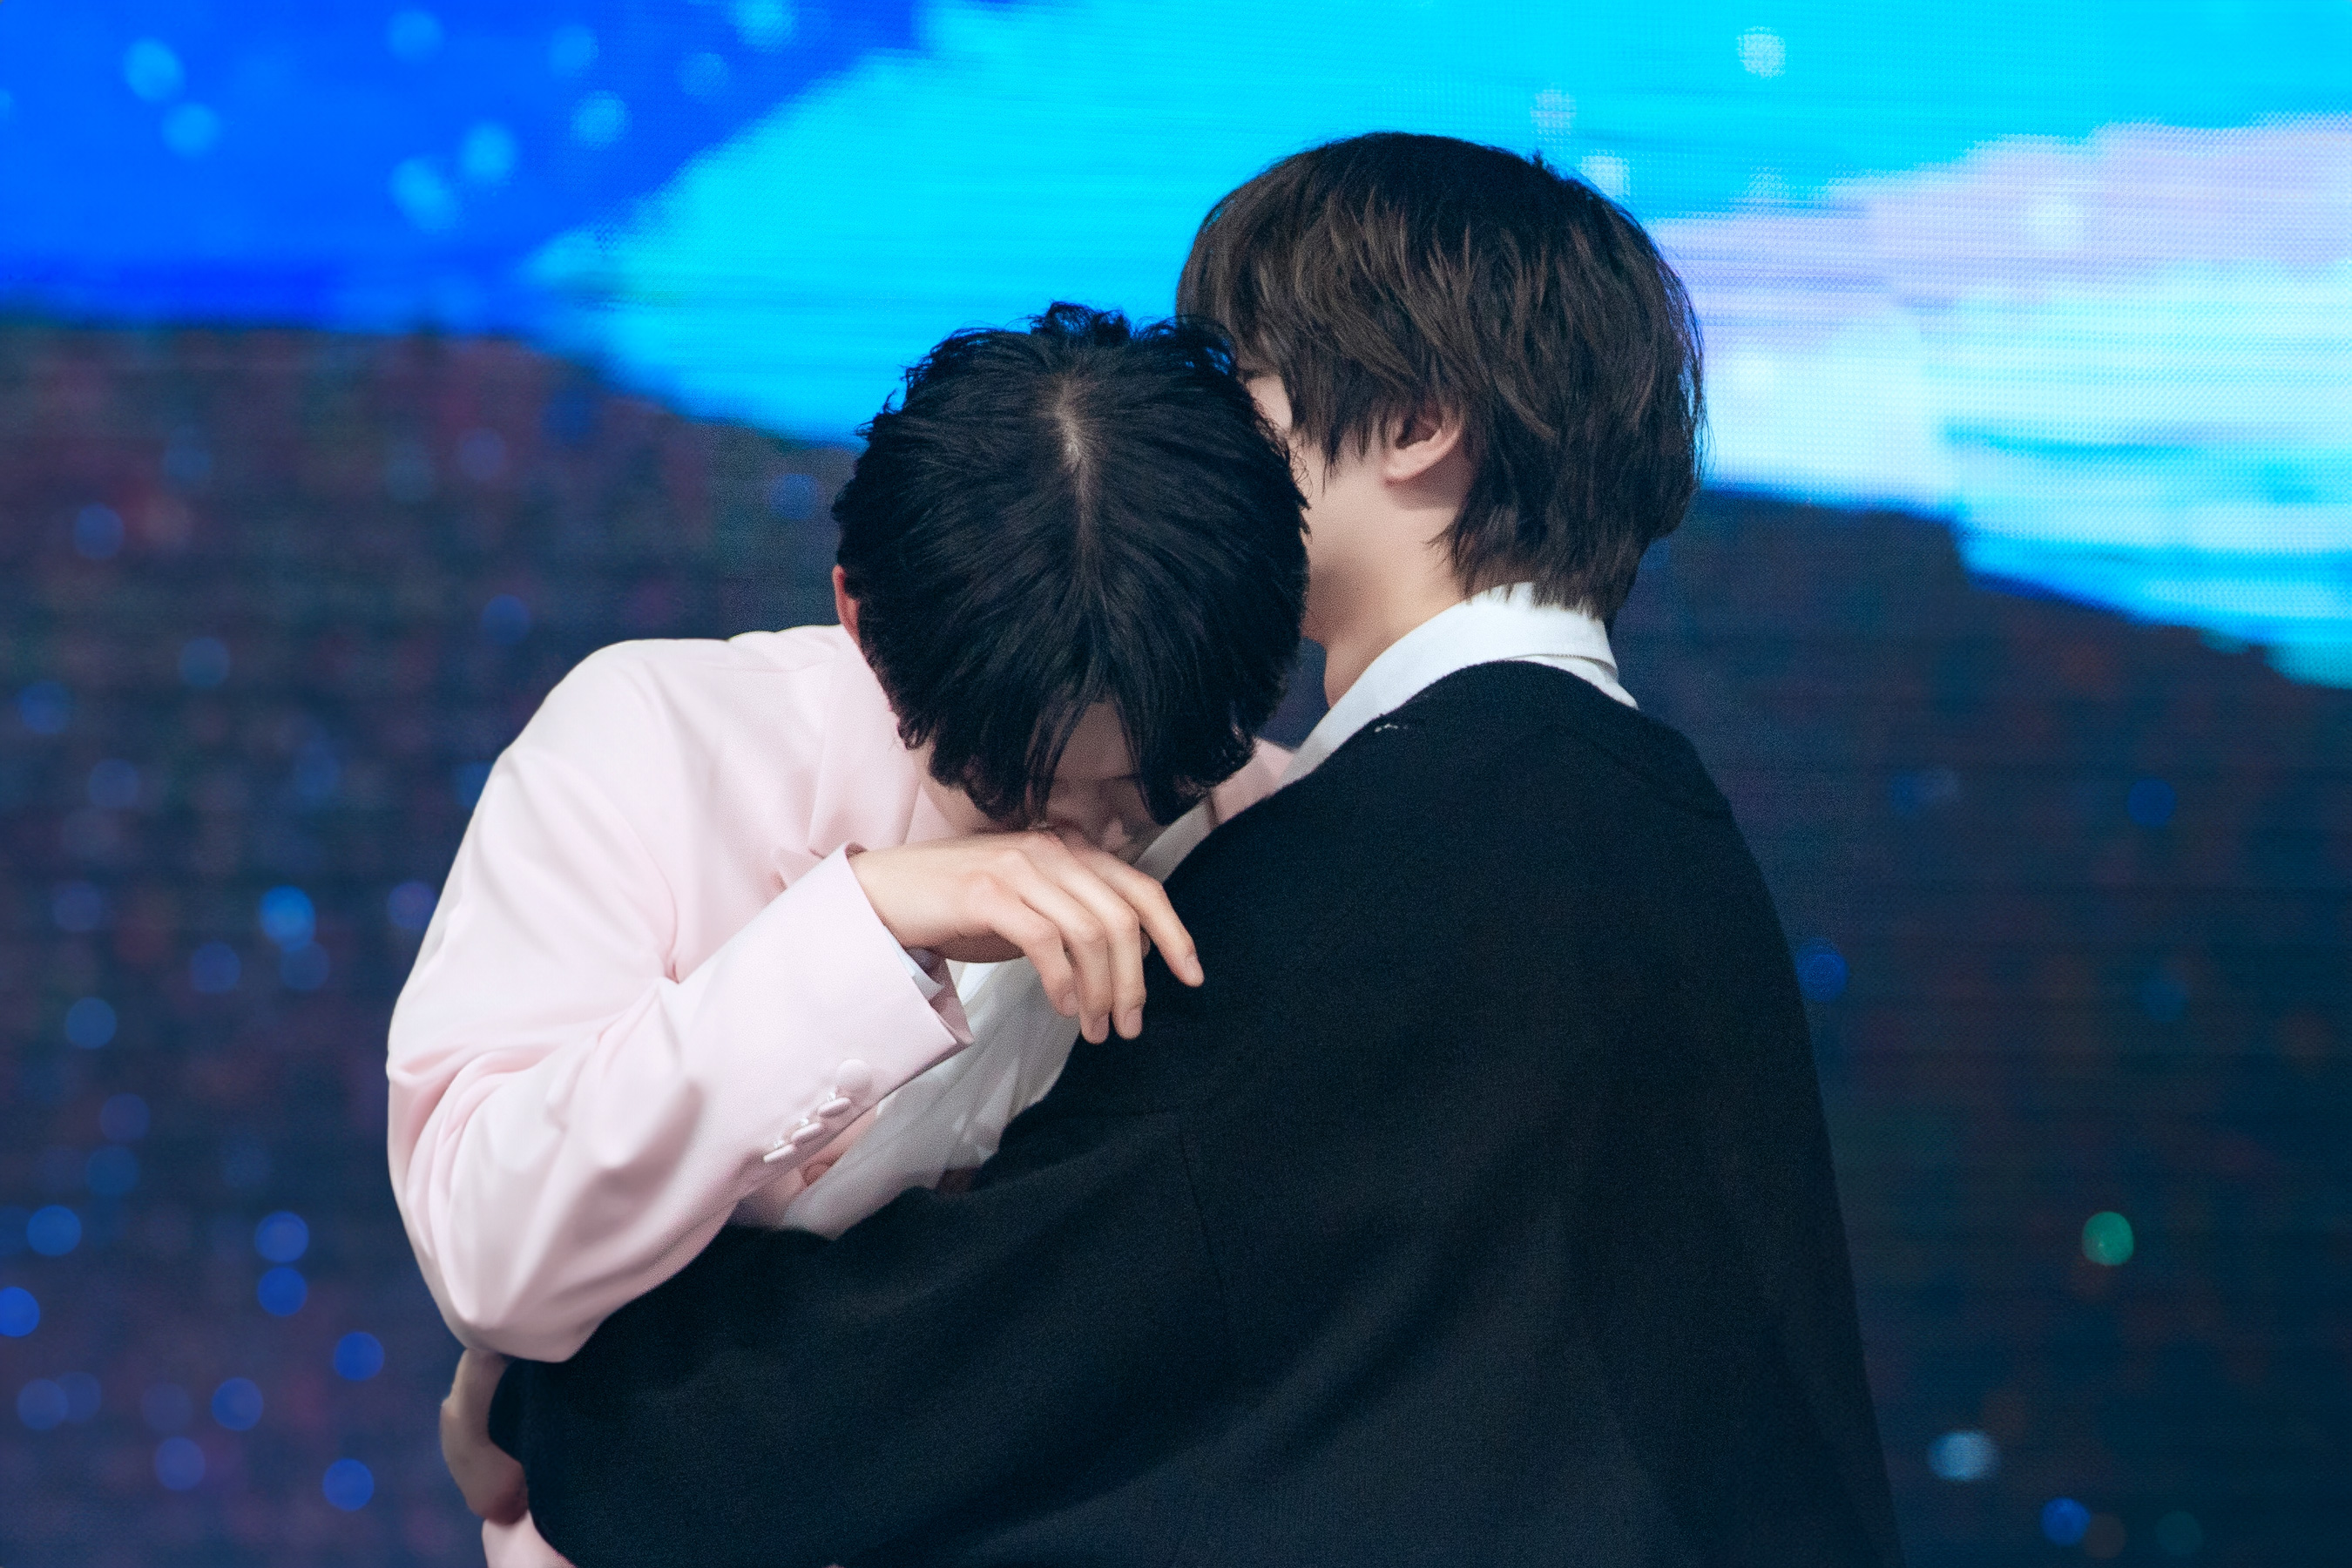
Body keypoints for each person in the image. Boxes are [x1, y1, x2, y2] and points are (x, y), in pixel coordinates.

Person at [486, 132, 1907, 1566]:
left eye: (1244, 383)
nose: (1207, 440)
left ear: (1416, 421)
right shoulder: (1662, 828)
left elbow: (961, 1363)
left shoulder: (1373, 862)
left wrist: (562, 1400)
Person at [387, 304, 1308, 1565]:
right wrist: (868, 927)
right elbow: (492, 1258)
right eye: (1020, 788)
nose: (1094, 837)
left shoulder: (1276, 827)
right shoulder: (652, 745)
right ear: (864, 625)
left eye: (1157, 784)